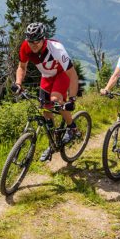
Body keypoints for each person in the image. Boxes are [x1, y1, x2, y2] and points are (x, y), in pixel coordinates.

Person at [11, 22, 79, 162]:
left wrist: (72, 99)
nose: (34, 44)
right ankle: (52, 144)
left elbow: (72, 75)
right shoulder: (25, 47)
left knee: (55, 100)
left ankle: (72, 128)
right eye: (31, 41)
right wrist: (18, 83)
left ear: (44, 39)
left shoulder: (56, 49)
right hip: (46, 77)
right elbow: (22, 67)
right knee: (45, 110)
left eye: (37, 40)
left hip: (62, 74)